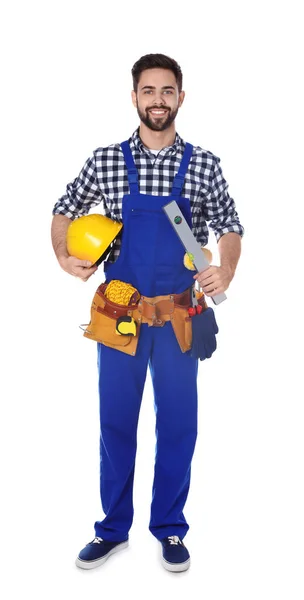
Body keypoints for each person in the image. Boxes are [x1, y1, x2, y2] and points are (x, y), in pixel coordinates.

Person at [51, 53, 244, 573]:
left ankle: (170, 529)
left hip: (181, 316)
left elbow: (229, 225)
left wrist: (225, 268)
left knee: (179, 424)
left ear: (181, 97)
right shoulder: (104, 160)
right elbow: (65, 209)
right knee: (115, 423)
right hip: (120, 318)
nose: (157, 100)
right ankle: (112, 530)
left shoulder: (204, 164)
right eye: (148, 90)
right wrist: (64, 256)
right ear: (134, 97)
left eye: (167, 91)